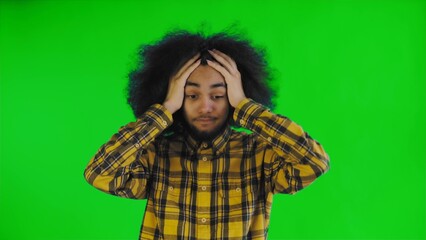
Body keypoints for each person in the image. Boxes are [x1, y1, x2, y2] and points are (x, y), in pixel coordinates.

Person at [84, 30, 330, 240]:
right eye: (191, 95)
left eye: (218, 95)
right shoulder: (155, 154)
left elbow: (314, 162)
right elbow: (100, 173)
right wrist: (165, 108)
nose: (205, 107)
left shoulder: (260, 154)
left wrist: (245, 105)